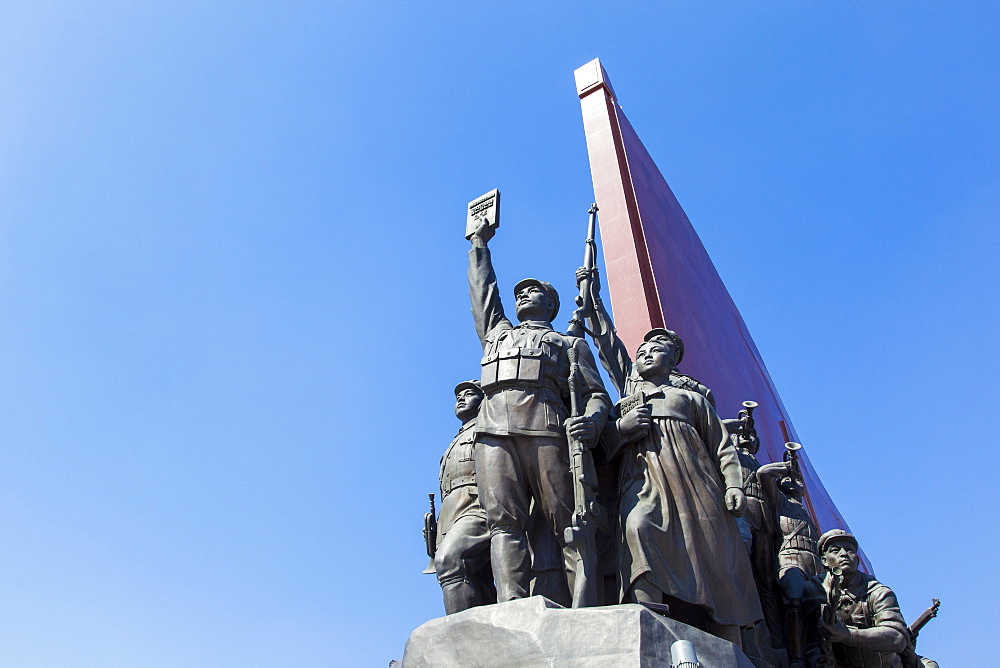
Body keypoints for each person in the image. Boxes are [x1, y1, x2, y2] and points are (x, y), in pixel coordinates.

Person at [467, 220, 611, 603]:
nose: (523, 295)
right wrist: (479, 243)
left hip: (546, 431)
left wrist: (592, 424)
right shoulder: (497, 334)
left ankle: (584, 607)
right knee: (503, 523)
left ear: (551, 304)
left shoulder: (569, 344)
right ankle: (511, 605)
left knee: (569, 522)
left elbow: (598, 396)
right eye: (520, 293)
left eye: (534, 291)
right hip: (493, 432)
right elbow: (484, 292)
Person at [600, 329, 762, 647]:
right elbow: (602, 450)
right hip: (644, 483)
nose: (646, 353)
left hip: (697, 487)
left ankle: (731, 645)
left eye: (656, 349)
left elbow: (722, 447)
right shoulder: (624, 405)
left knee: (715, 555)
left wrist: (733, 485)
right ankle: (648, 622)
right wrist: (622, 429)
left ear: (672, 361)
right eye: (642, 349)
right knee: (638, 528)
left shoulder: (692, 399)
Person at [574, 266, 714, 405]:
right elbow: (606, 339)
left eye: (661, 341)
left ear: (675, 351)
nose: (652, 345)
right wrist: (593, 294)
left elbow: (711, 424)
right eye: (648, 344)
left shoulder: (695, 389)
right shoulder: (631, 374)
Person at [433, 380, 496, 614]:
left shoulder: (488, 427)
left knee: (449, 560)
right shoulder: (454, 441)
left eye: (469, 394)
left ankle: (459, 635)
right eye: (458, 396)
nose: (460, 399)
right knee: (477, 579)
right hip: (451, 514)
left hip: (477, 506)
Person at [803, 529, 909, 667]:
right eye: (835, 550)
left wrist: (848, 634)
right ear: (824, 561)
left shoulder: (878, 592)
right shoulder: (815, 589)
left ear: (857, 560)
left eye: (849, 550)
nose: (844, 554)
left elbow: (897, 638)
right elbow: (806, 636)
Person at [757, 453, 822, 666]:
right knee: (794, 600)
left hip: (815, 562)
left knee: (820, 613)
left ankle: (816, 653)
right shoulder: (779, 502)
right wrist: (787, 467)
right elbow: (764, 474)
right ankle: (796, 659)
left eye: (797, 480)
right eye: (789, 480)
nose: (794, 481)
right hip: (790, 558)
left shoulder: (807, 513)